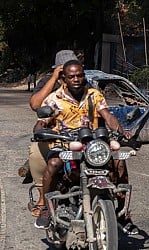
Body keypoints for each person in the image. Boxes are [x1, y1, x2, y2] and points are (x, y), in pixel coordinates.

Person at [33, 60, 138, 234]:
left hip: (93, 144)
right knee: (53, 164)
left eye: (79, 75)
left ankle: (122, 214)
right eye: (71, 76)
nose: (76, 79)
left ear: (84, 76)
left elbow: (108, 116)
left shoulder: (94, 95)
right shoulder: (54, 99)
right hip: (64, 143)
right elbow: (41, 121)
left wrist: (121, 131)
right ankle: (45, 207)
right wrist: (40, 131)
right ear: (64, 79)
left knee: (119, 162)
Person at [28, 50, 79, 218]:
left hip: (79, 134)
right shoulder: (48, 83)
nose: (72, 76)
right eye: (64, 70)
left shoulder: (83, 84)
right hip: (53, 135)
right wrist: (53, 79)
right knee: (36, 153)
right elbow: (36, 104)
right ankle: (43, 199)